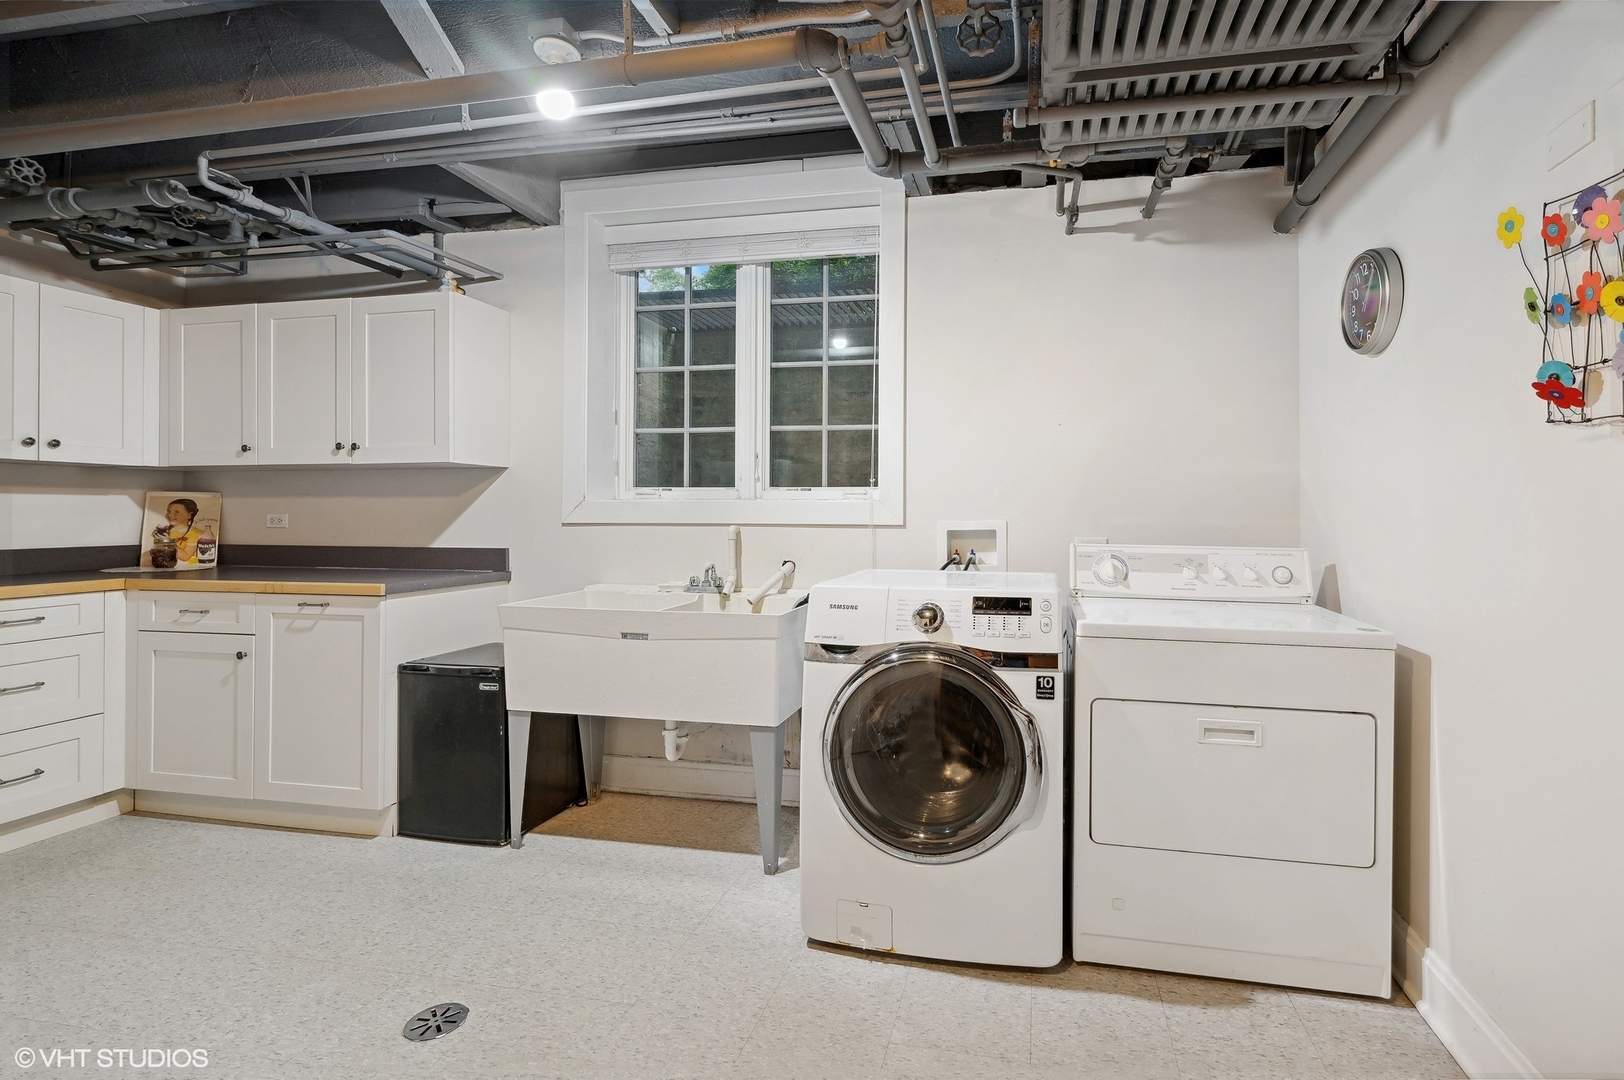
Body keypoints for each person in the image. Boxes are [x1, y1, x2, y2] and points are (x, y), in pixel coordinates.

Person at [153, 499, 202, 566]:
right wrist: (158, 539)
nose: (170, 515)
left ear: (189, 515)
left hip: (187, 567)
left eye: (176, 512)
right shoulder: (167, 530)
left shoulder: (195, 533)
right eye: (169, 511)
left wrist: (167, 542)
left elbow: (185, 557)